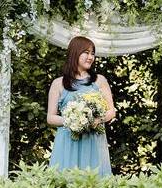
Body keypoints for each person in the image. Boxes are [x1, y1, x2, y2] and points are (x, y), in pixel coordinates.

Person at [47, 36, 115, 176]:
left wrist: (97, 120)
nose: (90, 57)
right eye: (86, 52)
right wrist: (73, 121)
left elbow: (111, 111)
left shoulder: (100, 81)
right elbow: (51, 118)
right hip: (68, 142)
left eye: (93, 53)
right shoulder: (58, 83)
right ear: (75, 53)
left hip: (93, 141)